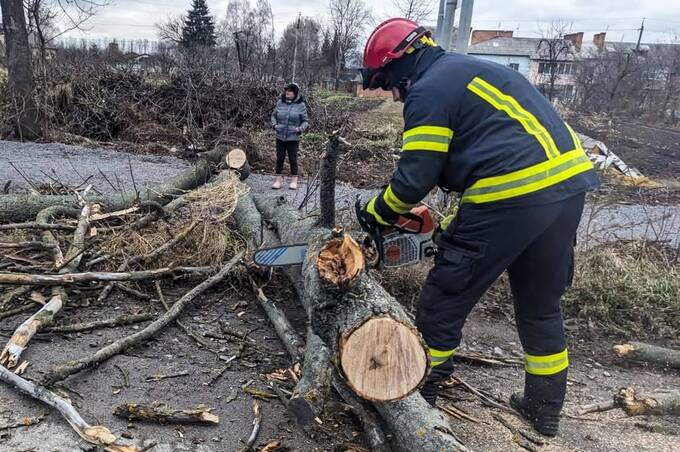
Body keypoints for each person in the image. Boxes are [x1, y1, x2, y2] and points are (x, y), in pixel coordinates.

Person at [358, 18, 599, 437]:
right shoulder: (470, 71)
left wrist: (378, 212)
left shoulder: (429, 90)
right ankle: (544, 409)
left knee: (444, 296)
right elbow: (496, 152)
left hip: (511, 194)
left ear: (400, 65)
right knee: (540, 304)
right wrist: (449, 226)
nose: (392, 94)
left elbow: (415, 178)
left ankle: (418, 398)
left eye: (388, 83)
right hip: (565, 191)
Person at [270, 82, 309, 190]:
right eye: (286, 90)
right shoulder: (280, 103)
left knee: (293, 159)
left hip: (293, 137)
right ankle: (278, 180)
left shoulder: (301, 105)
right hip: (280, 136)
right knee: (280, 158)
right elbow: (273, 116)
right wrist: (275, 125)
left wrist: (299, 129)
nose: (287, 92)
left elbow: (305, 121)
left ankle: (294, 180)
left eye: (290, 91)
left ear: (295, 93)